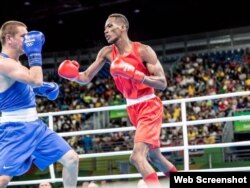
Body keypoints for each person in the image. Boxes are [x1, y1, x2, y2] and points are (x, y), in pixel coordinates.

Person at [58, 13, 177, 188]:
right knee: (155, 157)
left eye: (110, 26)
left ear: (123, 28)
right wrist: (72, 75)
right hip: (132, 108)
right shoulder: (106, 52)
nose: (106, 31)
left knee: (137, 157)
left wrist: (137, 75)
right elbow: (85, 77)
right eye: (105, 28)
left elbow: (162, 83)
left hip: (148, 105)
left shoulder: (143, 50)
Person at [0, 20, 79, 188]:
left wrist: (41, 89)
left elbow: (22, 86)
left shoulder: (15, 63)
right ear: (9, 39)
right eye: (23, 36)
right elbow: (35, 79)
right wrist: (35, 53)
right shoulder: (3, 63)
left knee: (71, 159)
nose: (28, 40)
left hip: (35, 126)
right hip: (14, 129)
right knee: (3, 180)